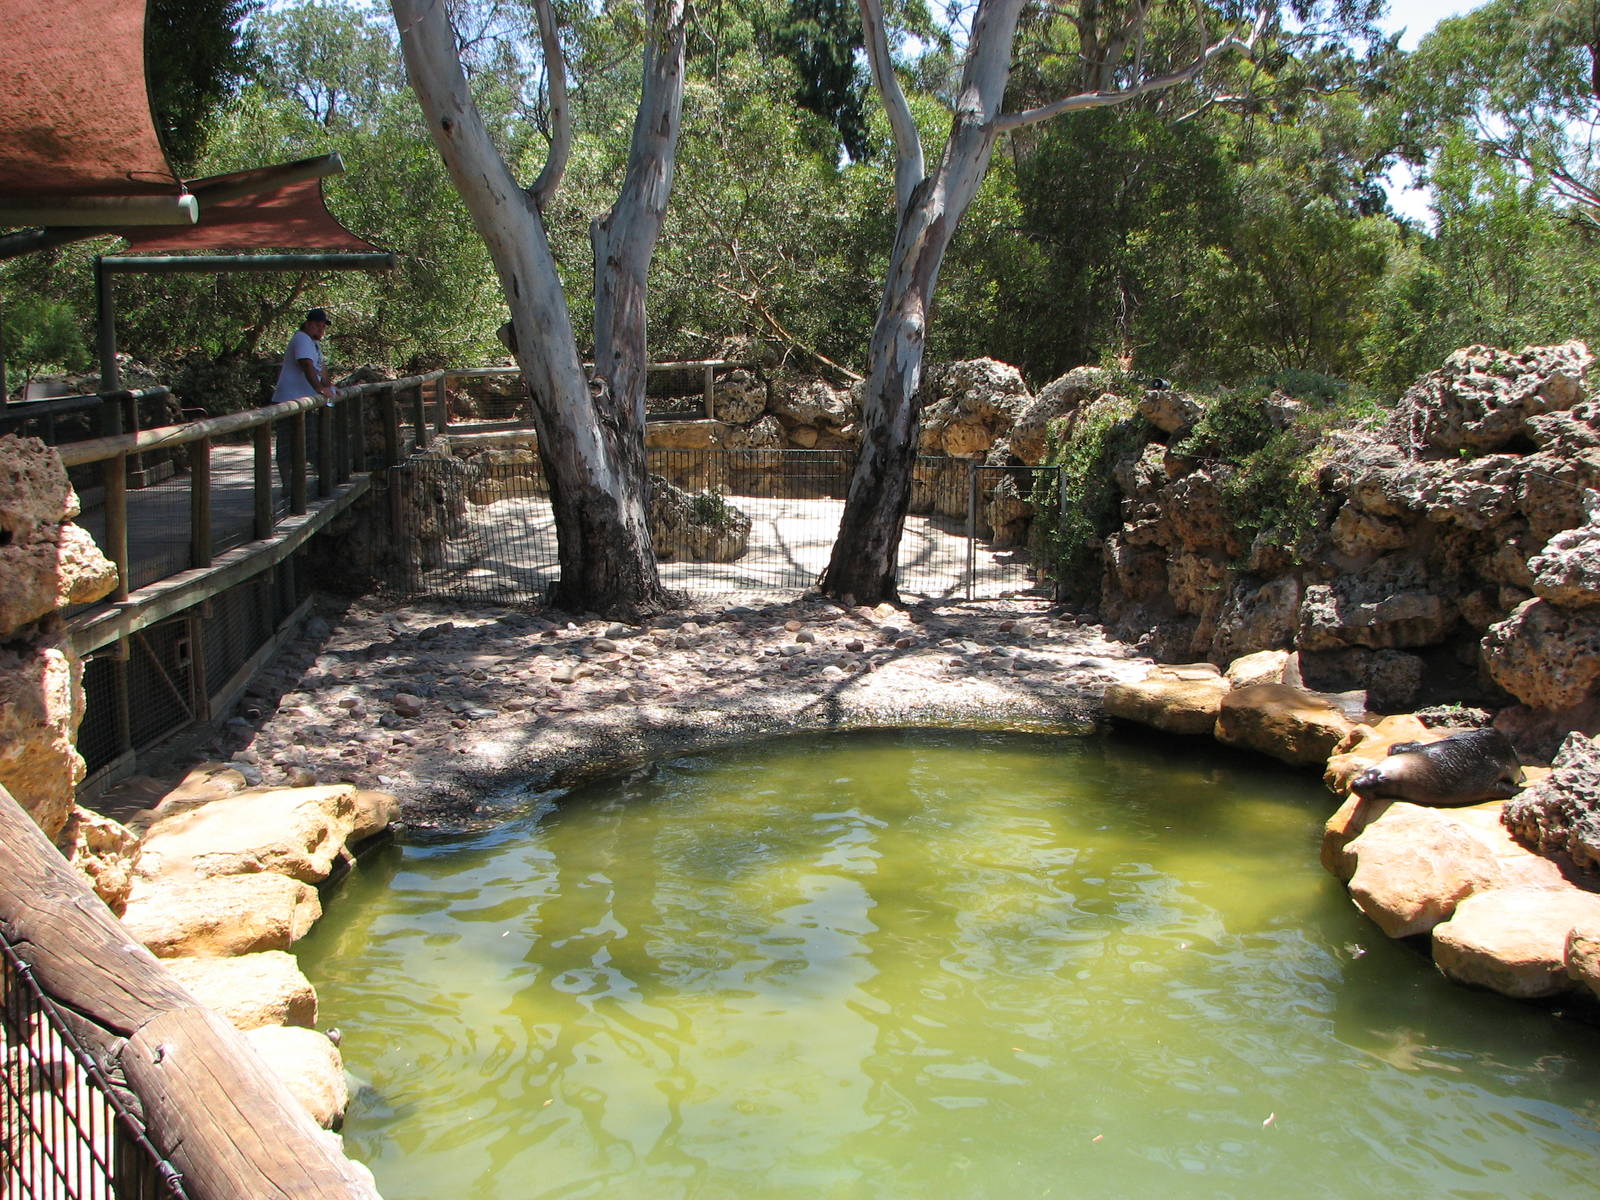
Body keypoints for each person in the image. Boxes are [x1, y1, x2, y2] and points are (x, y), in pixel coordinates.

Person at [271, 308, 335, 492]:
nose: (321, 330)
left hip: (304, 403)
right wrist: (319, 389)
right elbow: (306, 365)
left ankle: (317, 483)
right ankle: (289, 487)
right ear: (308, 324)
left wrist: (329, 387)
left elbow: (321, 369)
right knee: (287, 444)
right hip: (289, 401)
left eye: (323, 327)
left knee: (310, 442)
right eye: (317, 326)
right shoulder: (301, 339)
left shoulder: (314, 344)